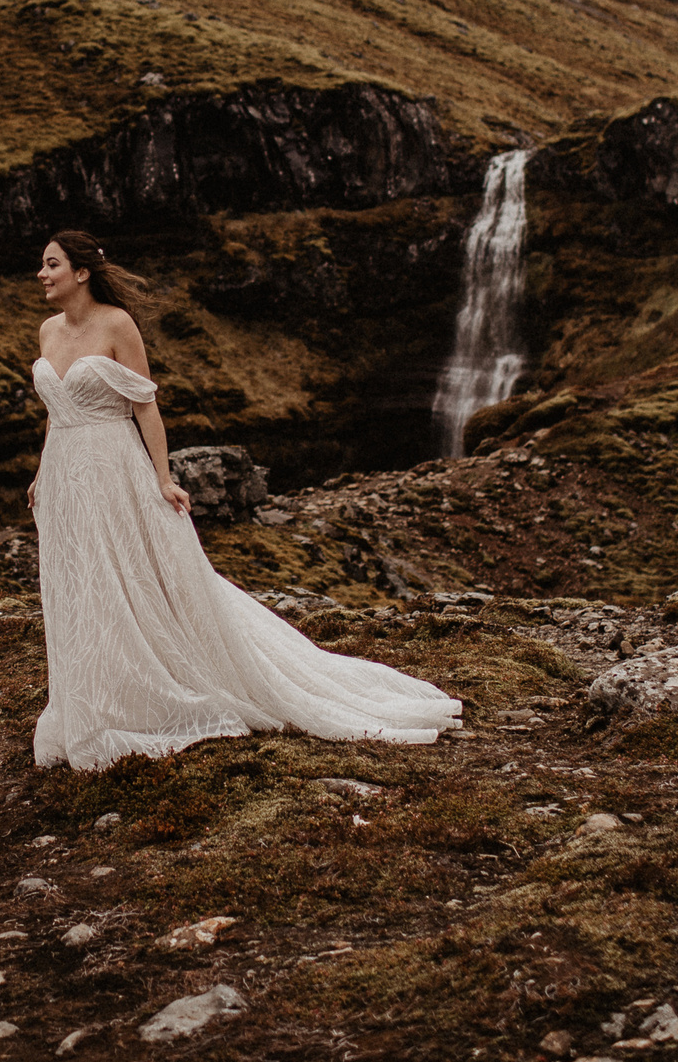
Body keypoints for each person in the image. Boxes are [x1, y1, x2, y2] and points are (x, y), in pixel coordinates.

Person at [24, 229, 462, 771]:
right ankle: (89, 695)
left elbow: (145, 407)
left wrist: (164, 479)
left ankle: (157, 688)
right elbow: (56, 411)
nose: (42, 275)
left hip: (114, 468)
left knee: (132, 575)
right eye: (43, 266)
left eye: (52, 265)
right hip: (67, 473)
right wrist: (43, 473)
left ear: (81, 272)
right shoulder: (46, 331)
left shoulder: (117, 325)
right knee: (80, 582)